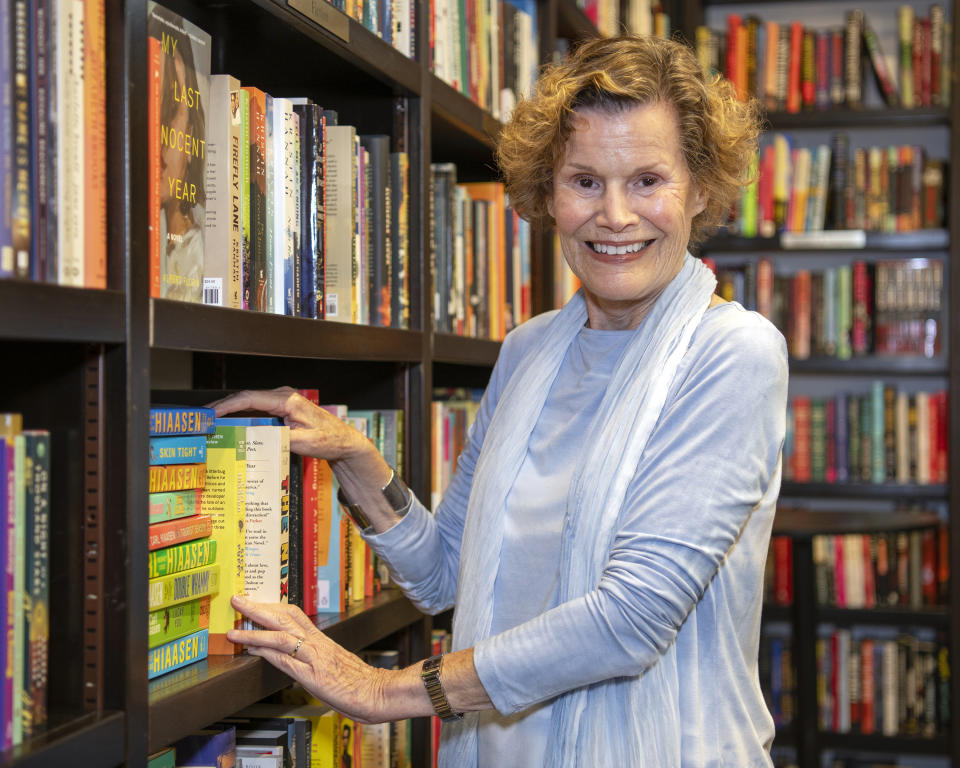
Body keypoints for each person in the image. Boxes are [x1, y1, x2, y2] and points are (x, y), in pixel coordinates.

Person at [214, 34, 788, 767]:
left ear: (700, 188)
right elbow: (445, 573)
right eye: (584, 181)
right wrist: (355, 458)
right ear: (547, 194)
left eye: (647, 180)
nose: (614, 215)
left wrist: (381, 691)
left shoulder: (734, 355)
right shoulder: (530, 350)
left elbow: (631, 620)